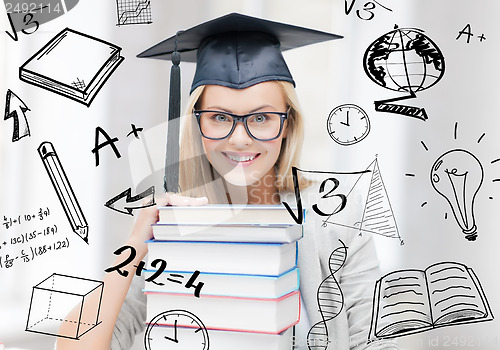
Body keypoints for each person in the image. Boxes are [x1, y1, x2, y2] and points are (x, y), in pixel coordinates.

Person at [57, 13, 399, 350]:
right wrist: (134, 247)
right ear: (196, 125)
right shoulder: (175, 228)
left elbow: (380, 341)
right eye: (220, 117)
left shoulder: (338, 220)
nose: (239, 139)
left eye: (262, 118)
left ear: (289, 126)